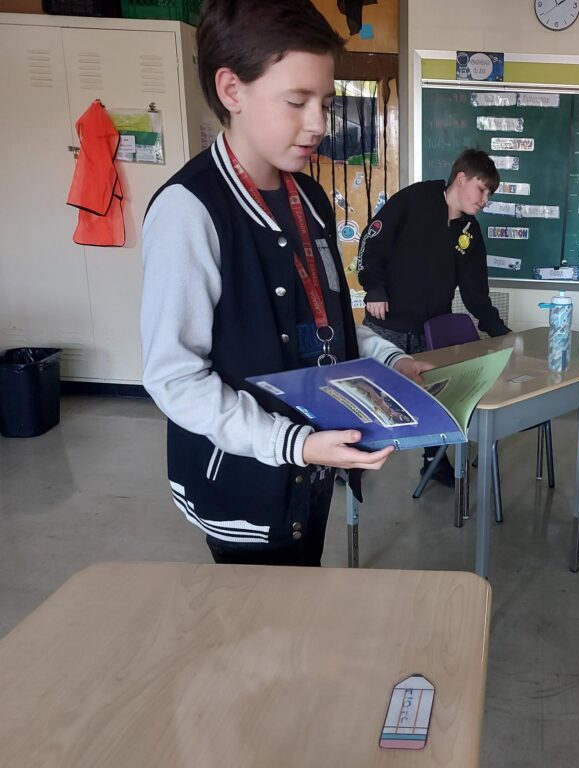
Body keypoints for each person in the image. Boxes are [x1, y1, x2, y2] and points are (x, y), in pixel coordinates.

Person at [139, 0, 430, 566]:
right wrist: (291, 443)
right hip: (246, 485)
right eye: (297, 102)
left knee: (305, 599)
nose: (318, 123)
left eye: (326, 103)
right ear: (232, 90)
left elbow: (325, 319)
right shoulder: (189, 211)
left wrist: (389, 361)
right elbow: (174, 378)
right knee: (262, 616)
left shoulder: (309, 196)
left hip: (312, 468)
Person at [357, 149, 512, 486]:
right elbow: (372, 240)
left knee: (435, 400)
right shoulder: (415, 199)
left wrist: (498, 330)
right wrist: (374, 288)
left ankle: (434, 461)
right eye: (482, 189)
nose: (485, 200)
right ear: (461, 179)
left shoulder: (469, 230)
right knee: (372, 399)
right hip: (388, 325)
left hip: (431, 331)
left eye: (490, 194)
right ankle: (353, 458)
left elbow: (475, 291)